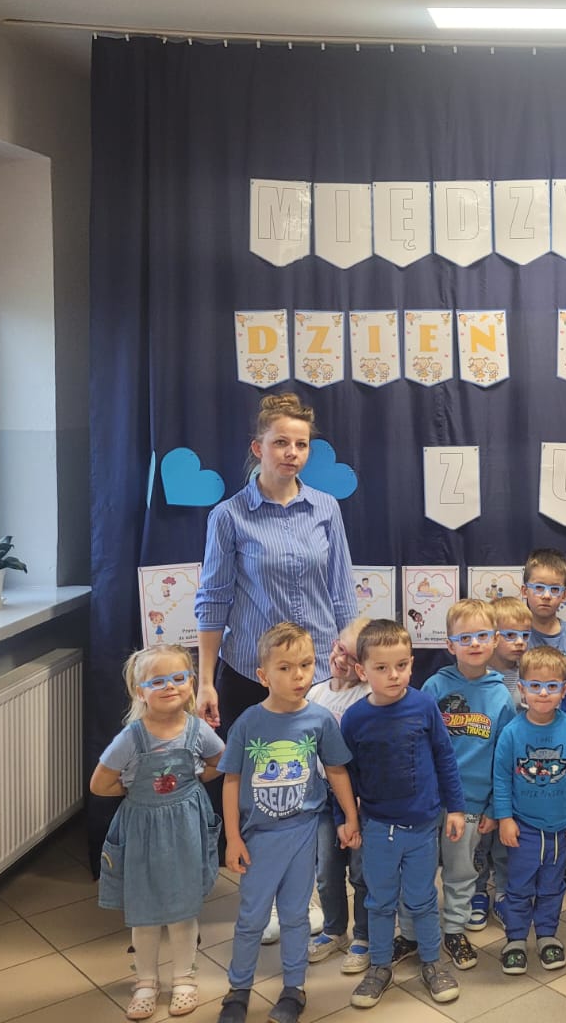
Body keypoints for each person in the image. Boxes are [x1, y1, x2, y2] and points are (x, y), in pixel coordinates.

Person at [215, 623, 359, 1023]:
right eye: (285, 668)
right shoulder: (248, 723)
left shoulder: (320, 720)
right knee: (252, 917)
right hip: (259, 838)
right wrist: (232, 838)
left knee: (296, 916)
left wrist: (350, 816)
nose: (299, 676)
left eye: (306, 665)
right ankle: (238, 990)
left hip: (303, 832)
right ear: (263, 676)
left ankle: (294, 988)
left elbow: (337, 770)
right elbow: (231, 781)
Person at [195, 393, 356, 733]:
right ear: (258, 448)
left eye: (301, 444)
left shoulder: (327, 508)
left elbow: (341, 594)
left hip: (317, 672)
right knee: (250, 762)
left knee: (321, 761)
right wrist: (205, 682)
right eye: (281, 442)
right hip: (251, 672)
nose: (292, 452)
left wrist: (352, 658)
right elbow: (213, 600)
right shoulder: (228, 515)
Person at [338, 620, 467, 1009]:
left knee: (422, 899)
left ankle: (432, 962)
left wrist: (456, 808)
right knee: (379, 901)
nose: (393, 675)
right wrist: (347, 820)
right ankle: (379, 966)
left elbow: (445, 758)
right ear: (362, 670)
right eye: (381, 668)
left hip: (423, 826)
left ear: (411, 663)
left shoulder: (424, 705)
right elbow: (345, 777)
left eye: (401, 665)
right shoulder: (354, 718)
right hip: (378, 828)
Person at [92, 645, 224, 1020]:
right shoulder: (130, 738)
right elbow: (100, 784)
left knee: (183, 911)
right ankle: (146, 982)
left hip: (185, 829)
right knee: (145, 913)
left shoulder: (197, 730)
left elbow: (221, 760)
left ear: (191, 683)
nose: (170, 686)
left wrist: (191, 784)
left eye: (179, 678)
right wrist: (135, 791)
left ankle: (184, 978)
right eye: (158, 681)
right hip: (144, 832)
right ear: (140, 691)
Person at [408, 599, 515, 973]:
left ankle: (454, 929)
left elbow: (503, 759)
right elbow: (417, 742)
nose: (474, 644)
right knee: (418, 870)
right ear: (449, 644)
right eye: (464, 637)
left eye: (482, 636)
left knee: (460, 871)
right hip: (428, 801)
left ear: (495, 640)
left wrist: (493, 808)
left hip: (472, 801)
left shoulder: (501, 696)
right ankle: (412, 932)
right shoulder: (434, 686)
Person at [491, 646, 566, 974]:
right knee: (519, 887)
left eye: (551, 686)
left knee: (552, 886)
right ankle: (516, 939)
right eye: (535, 685)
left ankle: (547, 935)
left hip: (560, 828)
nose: (543, 693)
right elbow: (501, 779)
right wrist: (505, 818)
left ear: (564, 689)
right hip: (524, 827)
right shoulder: (512, 732)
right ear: (521, 689)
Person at [305, 619, 372, 970]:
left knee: (362, 872)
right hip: (321, 798)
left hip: (358, 798)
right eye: (339, 649)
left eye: (353, 658)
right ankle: (334, 930)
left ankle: (363, 935)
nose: (341, 660)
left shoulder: (368, 696)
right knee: (326, 871)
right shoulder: (315, 693)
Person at [470, 595, 532, 930]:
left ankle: (506, 893)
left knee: (508, 840)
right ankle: (478, 891)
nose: (519, 642)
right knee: (479, 840)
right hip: (482, 772)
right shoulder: (478, 678)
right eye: (510, 635)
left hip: (516, 774)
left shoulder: (530, 674)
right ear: (493, 637)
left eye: (525, 635)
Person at [521, 546, 566, 664]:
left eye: (554, 589)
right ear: (525, 591)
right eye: (539, 587)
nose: (546, 596)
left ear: (564, 595)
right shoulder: (513, 636)